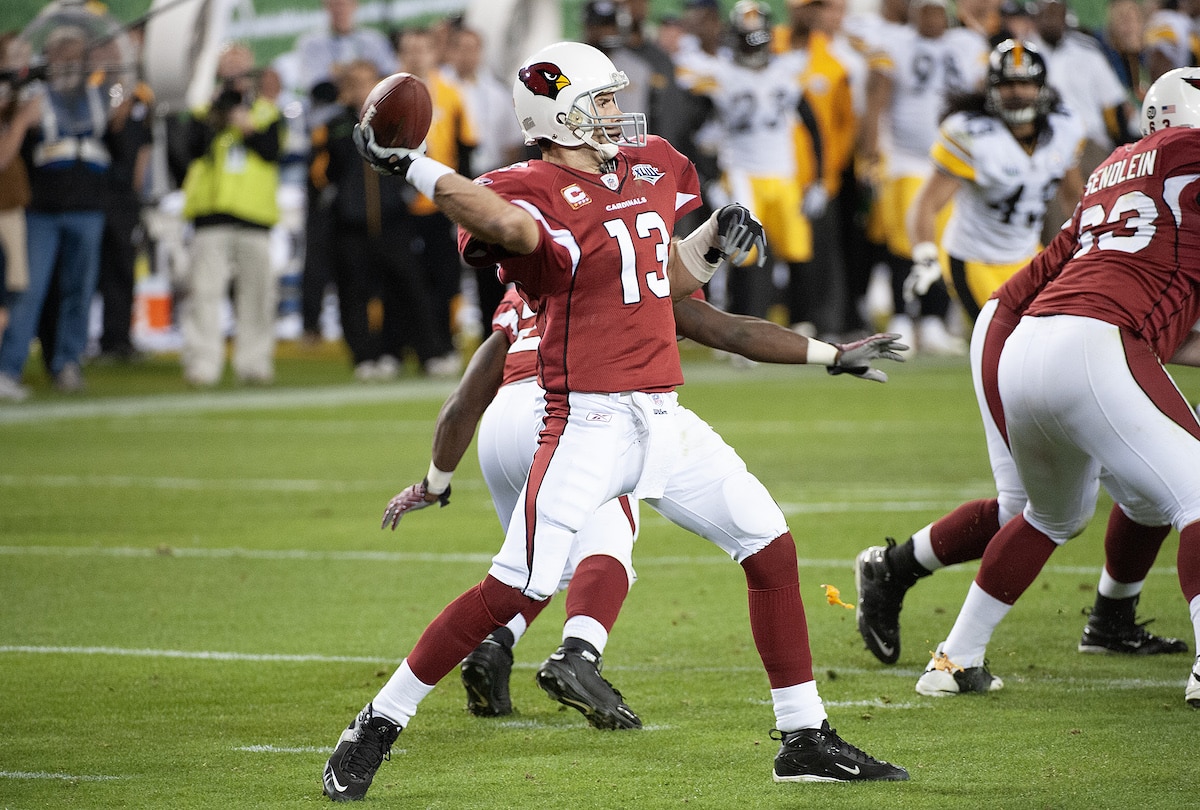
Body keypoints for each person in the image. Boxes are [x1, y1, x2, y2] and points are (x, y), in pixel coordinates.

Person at [323, 40, 910, 801]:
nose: (615, 113)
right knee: (515, 585)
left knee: (769, 544)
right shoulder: (523, 186)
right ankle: (378, 722)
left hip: (663, 417)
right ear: (557, 112)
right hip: (586, 422)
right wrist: (416, 166)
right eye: (600, 101)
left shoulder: (650, 163)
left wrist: (732, 267)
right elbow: (510, 227)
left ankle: (803, 736)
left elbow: (665, 284)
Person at [386, 285, 904, 720]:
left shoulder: (545, 254)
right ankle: (578, 653)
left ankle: (493, 646)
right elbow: (721, 329)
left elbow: (468, 394)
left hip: (501, 422)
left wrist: (435, 481)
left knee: (538, 564)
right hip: (572, 410)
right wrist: (829, 353)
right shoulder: (633, 242)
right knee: (608, 542)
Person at [908, 67, 1200, 704]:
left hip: (1029, 342)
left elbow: (1040, 278)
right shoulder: (1186, 151)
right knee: (1198, 495)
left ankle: (954, 661)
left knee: (1051, 515)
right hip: (1094, 345)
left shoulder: (1108, 172)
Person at [855, 223, 1187, 669]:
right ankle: (894, 569)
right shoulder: (1168, 202)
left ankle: (1113, 620)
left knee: (1152, 491)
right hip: (1028, 326)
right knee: (1032, 510)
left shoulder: (1142, 190)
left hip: (1085, 338)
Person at [904, 39, 1084, 322]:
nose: (1017, 93)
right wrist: (925, 255)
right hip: (975, 259)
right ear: (991, 88)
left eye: (1025, 83)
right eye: (1008, 84)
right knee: (1003, 341)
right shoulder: (973, 136)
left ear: (1041, 87)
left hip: (1028, 256)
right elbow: (926, 204)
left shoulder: (1064, 128)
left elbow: (1074, 197)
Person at [675, 1, 827, 330]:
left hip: (783, 173)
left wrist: (819, 180)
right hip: (742, 173)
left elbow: (813, 127)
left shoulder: (785, 73)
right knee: (745, 250)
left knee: (797, 249)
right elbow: (696, 134)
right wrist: (711, 179)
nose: (753, 47)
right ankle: (745, 325)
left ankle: (802, 321)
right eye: (747, 39)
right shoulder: (720, 75)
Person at [858, 0, 988, 355]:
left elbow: (983, 96)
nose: (932, 17)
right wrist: (870, 151)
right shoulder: (895, 42)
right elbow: (876, 97)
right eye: (925, 9)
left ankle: (934, 319)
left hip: (953, 158)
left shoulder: (968, 45)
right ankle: (903, 317)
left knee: (945, 241)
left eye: (937, 9)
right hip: (905, 157)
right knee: (905, 240)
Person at [307, 59, 442, 382]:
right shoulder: (334, 126)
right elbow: (319, 176)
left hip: (393, 220)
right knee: (353, 293)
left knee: (409, 287)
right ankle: (365, 356)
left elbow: (421, 160)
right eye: (354, 83)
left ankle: (425, 352)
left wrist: (407, 195)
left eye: (368, 82)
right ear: (344, 89)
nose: (361, 89)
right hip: (351, 226)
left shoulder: (395, 121)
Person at [0, 23, 112, 396]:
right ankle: (8, 368)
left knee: (78, 292)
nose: (68, 60)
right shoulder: (34, 98)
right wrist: (20, 121)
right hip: (42, 211)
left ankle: (67, 363)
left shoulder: (100, 97)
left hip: (88, 209)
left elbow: (127, 86)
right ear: (47, 58)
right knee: (28, 292)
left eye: (75, 53)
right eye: (61, 53)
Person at [178, 43, 284, 387]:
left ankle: (254, 363)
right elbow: (188, 150)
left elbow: (272, 151)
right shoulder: (204, 110)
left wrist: (247, 126)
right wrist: (215, 114)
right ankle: (202, 364)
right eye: (229, 67)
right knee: (204, 294)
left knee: (257, 295)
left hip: (254, 215)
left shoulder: (267, 111)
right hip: (211, 214)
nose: (235, 74)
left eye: (241, 67)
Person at [0, 35, 40, 402]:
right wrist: (23, 121)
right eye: (14, 57)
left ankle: (5, 370)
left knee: (12, 292)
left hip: (12, 209)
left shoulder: (11, 102)